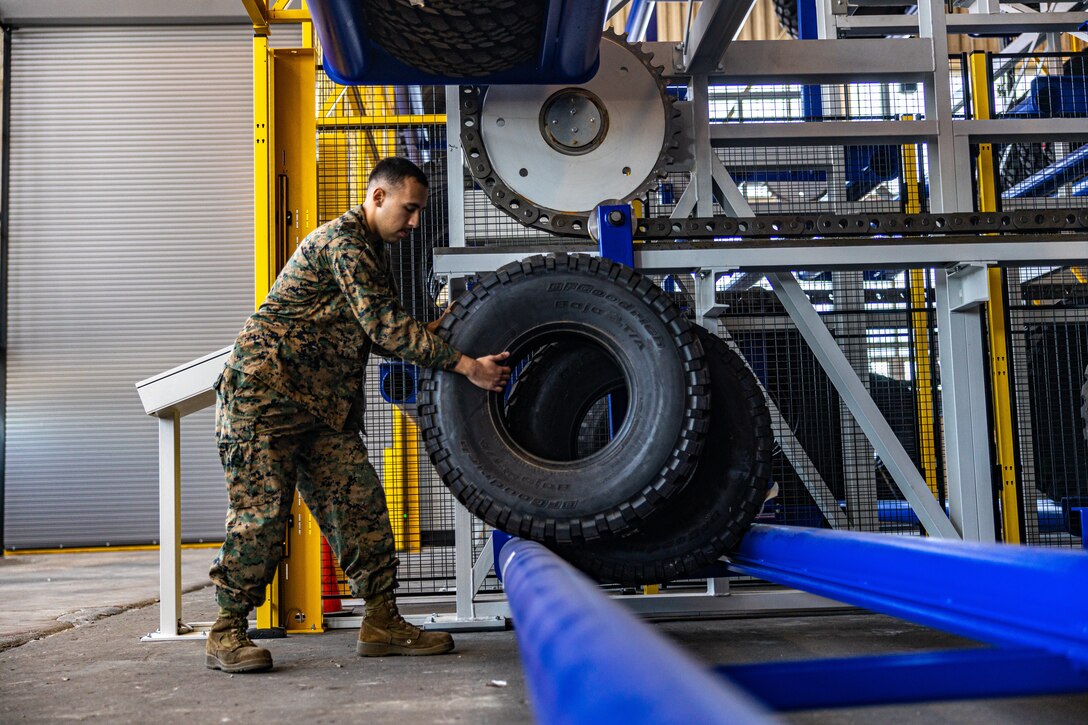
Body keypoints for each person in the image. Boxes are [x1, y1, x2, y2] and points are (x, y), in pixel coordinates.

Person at [205, 156, 511, 673]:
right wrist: (466, 366)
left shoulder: (371, 253)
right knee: (262, 516)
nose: (414, 223)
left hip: (322, 409)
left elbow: (384, 332)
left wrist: (451, 325)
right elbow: (387, 330)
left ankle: (381, 622)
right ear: (378, 197)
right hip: (265, 399)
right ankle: (226, 631)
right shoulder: (343, 242)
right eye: (409, 209)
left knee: (361, 507)